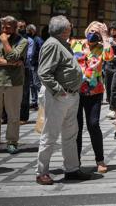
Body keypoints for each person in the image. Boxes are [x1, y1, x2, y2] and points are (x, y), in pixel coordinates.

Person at [36, 15, 93, 185]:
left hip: (70, 95)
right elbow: (44, 72)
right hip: (59, 97)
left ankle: (72, 169)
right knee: (50, 134)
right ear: (63, 29)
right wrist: (59, 91)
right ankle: (41, 172)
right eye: (69, 25)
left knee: (70, 134)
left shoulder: (62, 43)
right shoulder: (53, 44)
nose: (72, 26)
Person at [72, 21, 114, 174]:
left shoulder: (102, 47)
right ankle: (74, 160)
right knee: (76, 127)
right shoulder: (75, 44)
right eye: (92, 30)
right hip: (75, 91)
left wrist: (105, 36)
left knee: (93, 124)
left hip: (94, 91)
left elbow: (109, 58)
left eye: (98, 31)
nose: (93, 33)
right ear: (86, 30)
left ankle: (100, 159)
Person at [0, 16, 28, 154]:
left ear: (15, 27)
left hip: (14, 83)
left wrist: (4, 42)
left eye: (8, 27)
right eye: (3, 27)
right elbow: (13, 60)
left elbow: (14, 57)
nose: (5, 30)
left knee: (13, 115)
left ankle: (12, 141)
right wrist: (10, 63)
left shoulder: (23, 41)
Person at [104, 21, 116, 119]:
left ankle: (114, 109)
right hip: (108, 66)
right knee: (109, 87)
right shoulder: (108, 40)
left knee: (115, 89)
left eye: (114, 30)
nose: (112, 31)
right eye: (111, 29)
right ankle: (112, 106)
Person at [26, 24, 44, 111]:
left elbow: (41, 51)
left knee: (37, 83)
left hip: (36, 64)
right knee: (32, 84)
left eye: (28, 30)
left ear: (33, 31)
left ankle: (44, 99)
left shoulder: (37, 39)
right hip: (31, 64)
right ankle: (34, 102)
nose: (27, 32)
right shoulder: (31, 39)